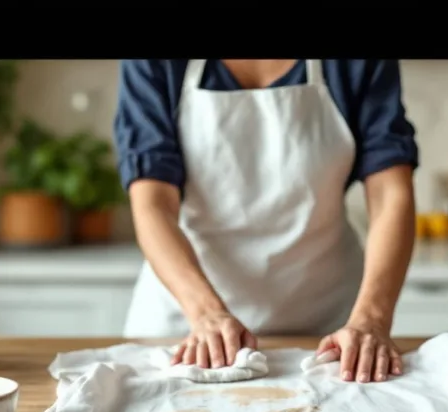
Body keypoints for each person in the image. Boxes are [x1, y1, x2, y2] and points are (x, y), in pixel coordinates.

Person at [114, 59, 419, 384]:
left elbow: (390, 195)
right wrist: (205, 313)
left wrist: (371, 319)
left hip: (330, 329)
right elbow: (154, 205)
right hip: (185, 322)